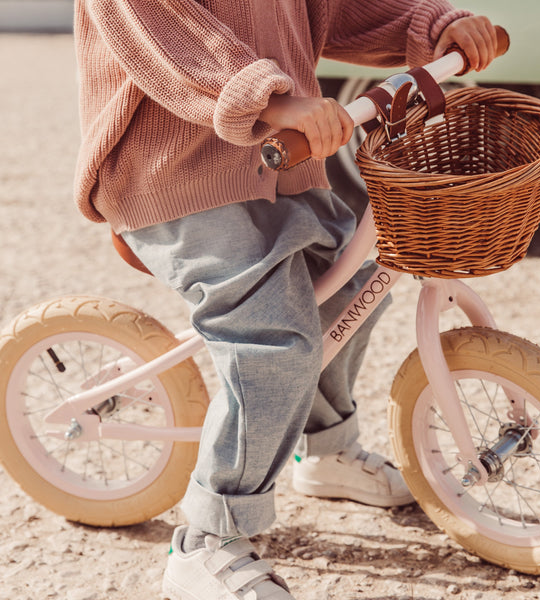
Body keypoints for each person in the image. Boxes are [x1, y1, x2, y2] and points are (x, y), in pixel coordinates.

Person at [73, 2, 497, 598]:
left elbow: (335, 9)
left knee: (356, 288)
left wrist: (428, 26)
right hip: (176, 176)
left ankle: (326, 451)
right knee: (271, 342)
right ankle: (206, 539)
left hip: (287, 160)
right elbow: (170, 36)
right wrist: (273, 101)